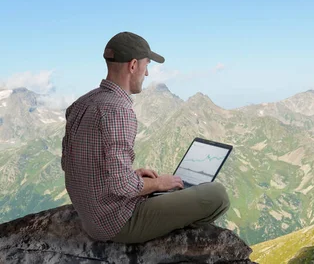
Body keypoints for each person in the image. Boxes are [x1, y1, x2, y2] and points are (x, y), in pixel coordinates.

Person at [61, 31, 230, 243]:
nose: (147, 73)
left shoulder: (81, 103)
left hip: (91, 217)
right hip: (117, 223)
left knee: (169, 189)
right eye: (146, 65)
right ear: (133, 66)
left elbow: (71, 165)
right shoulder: (119, 110)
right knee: (217, 194)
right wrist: (159, 184)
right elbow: (122, 186)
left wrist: (134, 175)